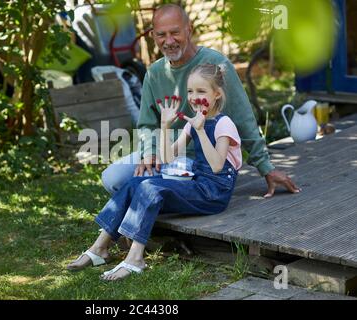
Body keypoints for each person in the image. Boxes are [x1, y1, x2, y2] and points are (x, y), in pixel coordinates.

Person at [101, 4, 300, 199]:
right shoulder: (154, 73)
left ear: (189, 30)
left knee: (155, 185)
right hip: (166, 153)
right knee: (112, 179)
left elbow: (243, 119)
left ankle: (160, 203)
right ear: (153, 36)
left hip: (205, 158)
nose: (169, 41)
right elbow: (146, 124)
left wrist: (266, 168)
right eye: (161, 35)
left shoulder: (215, 64)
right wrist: (149, 153)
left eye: (175, 33)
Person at [67, 63, 242, 281]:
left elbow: (217, 166)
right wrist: (165, 125)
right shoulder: (193, 122)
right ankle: (99, 248)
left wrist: (200, 131)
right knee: (135, 182)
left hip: (214, 193)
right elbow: (168, 158)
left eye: (201, 91)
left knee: (150, 188)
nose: (194, 97)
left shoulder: (224, 124)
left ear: (217, 94)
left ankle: (135, 259)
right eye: (190, 91)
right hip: (197, 183)